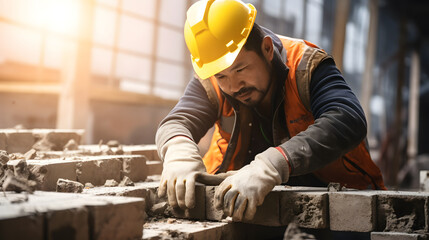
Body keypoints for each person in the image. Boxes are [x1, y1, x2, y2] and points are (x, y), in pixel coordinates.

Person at [155, 0, 386, 222]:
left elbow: (347, 118)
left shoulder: (306, 65)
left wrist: (273, 164)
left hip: (340, 204)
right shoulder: (214, 79)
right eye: (222, 76)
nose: (233, 87)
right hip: (246, 204)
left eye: (241, 69)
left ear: (266, 48)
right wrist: (178, 151)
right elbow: (177, 121)